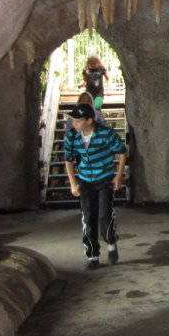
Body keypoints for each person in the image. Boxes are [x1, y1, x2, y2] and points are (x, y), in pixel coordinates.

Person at [63, 102, 127, 269]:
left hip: (105, 179)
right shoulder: (72, 136)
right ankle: (93, 256)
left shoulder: (106, 133)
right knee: (88, 218)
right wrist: (73, 182)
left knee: (104, 215)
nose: (74, 124)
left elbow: (122, 152)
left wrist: (118, 176)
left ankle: (111, 244)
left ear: (89, 121)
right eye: (73, 120)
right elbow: (68, 159)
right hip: (85, 181)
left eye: (78, 121)